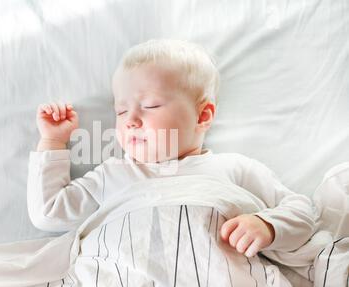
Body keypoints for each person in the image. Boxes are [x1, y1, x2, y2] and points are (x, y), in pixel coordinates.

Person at [28, 39, 314, 261]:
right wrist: (53, 142)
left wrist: (268, 226)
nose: (131, 120)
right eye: (121, 110)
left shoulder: (234, 168)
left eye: (150, 105)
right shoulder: (113, 175)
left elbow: (302, 211)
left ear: (203, 116)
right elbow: (48, 213)